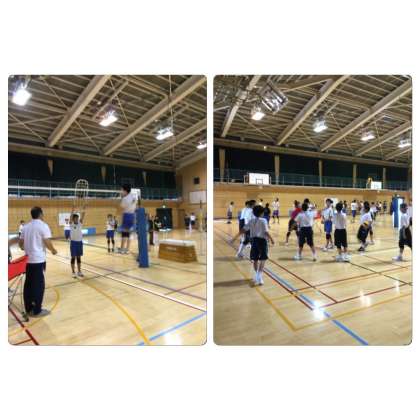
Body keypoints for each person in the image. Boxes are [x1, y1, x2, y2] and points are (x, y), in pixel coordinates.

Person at [18, 206, 57, 317]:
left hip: (27, 261)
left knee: (29, 284)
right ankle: (37, 310)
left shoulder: (25, 227)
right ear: (40, 214)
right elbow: (47, 241)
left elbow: (20, 243)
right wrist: (53, 250)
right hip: (38, 260)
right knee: (39, 285)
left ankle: (28, 308)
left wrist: (24, 248)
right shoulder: (43, 226)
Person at [234, 205, 274, 286]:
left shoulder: (251, 220)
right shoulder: (264, 220)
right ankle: (259, 276)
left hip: (254, 241)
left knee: (255, 259)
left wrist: (234, 238)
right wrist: (272, 239)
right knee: (263, 259)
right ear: (262, 213)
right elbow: (266, 232)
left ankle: (257, 275)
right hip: (262, 242)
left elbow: (243, 229)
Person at [118, 184, 137, 254]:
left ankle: (122, 249)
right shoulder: (134, 196)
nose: (121, 191)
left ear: (125, 191)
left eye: (122, 190)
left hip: (127, 216)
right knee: (129, 233)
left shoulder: (125, 199)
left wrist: (121, 198)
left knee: (124, 233)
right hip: (132, 216)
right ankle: (127, 249)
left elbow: (121, 207)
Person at [69, 206, 85, 278]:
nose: (77, 219)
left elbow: (83, 215)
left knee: (79, 258)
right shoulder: (71, 224)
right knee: (73, 258)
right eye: (75, 218)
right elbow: (70, 217)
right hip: (73, 243)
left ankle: (79, 271)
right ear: (73, 219)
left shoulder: (80, 223)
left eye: (77, 218)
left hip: (79, 242)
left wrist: (84, 208)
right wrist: (72, 210)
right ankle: (73, 272)